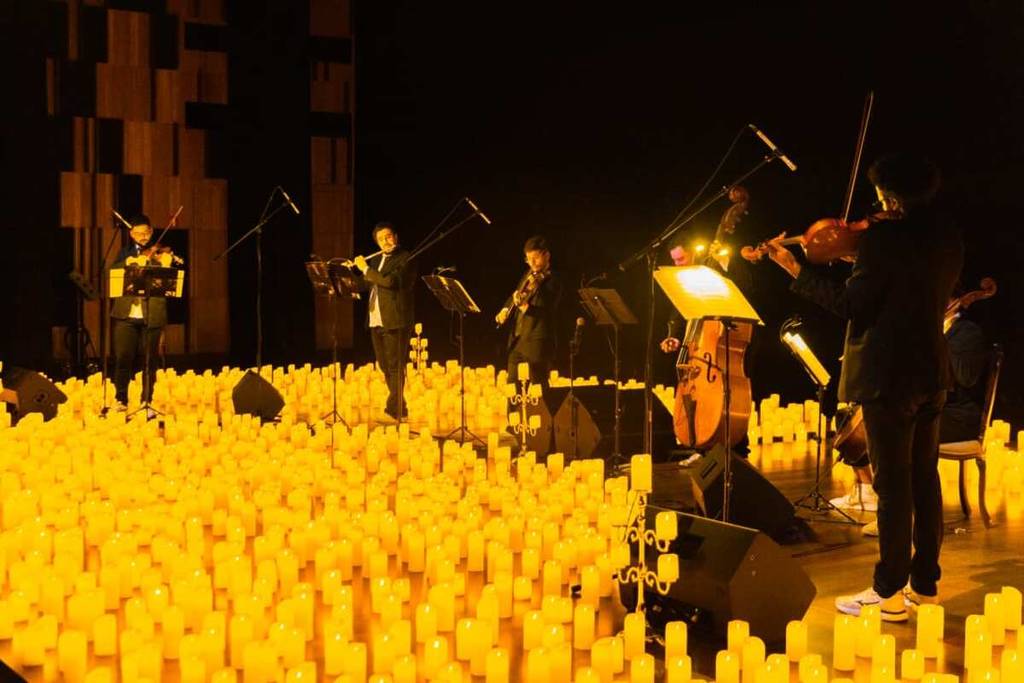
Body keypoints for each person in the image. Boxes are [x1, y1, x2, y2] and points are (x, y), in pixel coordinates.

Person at [764, 153, 963, 622]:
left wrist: (798, 272)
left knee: (892, 487)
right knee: (924, 479)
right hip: (931, 372)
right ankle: (925, 585)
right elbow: (908, 285)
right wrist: (861, 255)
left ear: (890, 197)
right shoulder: (946, 236)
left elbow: (851, 303)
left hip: (887, 378)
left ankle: (888, 593)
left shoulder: (883, 241)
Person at [831, 296, 990, 528]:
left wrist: (937, 338)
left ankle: (899, 515)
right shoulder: (925, 330)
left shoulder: (968, 332)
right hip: (929, 405)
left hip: (959, 415)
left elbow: (966, 377)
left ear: (954, 300)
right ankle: (874, 494)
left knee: (898, 426)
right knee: (851, 414)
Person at [354, 222, 416, 420]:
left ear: (395, 237)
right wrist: (346, 281)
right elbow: (367, 283)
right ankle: (400, 406)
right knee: (384, 365)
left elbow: (390, 282)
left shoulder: (406, 258)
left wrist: (365, 269)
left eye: (388, 237)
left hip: (396, 320)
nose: (385, 242)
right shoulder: (377, 260)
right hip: (376, 319)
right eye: (381, 239)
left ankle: (396, 407)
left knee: (396, 366)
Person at [110, 214, 170, 413]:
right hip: (125, 315)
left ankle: (147, 401)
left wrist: (164, 263)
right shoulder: (124, 252)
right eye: (138, 233)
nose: (142, 237)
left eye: (146, 233)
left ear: (151, 232)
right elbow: (113, 273)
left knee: (149, 361)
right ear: (131, 233)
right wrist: (129, 262)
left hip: (151, 314)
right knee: (123, 358)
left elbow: (169, 280)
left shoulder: (160, 253)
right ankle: (120, 399)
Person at [496, 235, 562, 386]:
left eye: (535, 258)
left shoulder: (554, 280)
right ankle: (512, 411)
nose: (532, 263)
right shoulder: (528, 275)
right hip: (518, 340)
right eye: (528, 259)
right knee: (512, 387)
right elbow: (516, 294)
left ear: (546, 255)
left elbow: (548, 312)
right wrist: (505, 309)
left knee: (537, 390)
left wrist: (525, 307)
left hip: (537, 343)